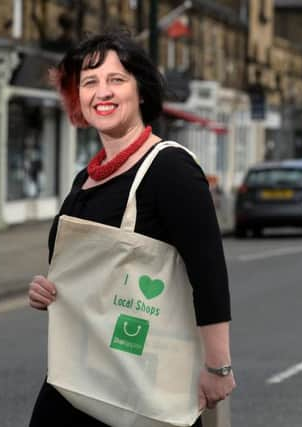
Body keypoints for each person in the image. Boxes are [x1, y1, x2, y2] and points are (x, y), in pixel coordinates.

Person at [27, 31, 235, 427]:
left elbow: (208, 272)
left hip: (145, 383)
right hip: (78, 375)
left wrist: (217, 366)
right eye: (89, 83)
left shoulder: (171, 169)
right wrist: (48, 289)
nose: (101, 92)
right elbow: (83, 271)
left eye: (116, 80)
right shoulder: (84, 180)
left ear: (141, 92)